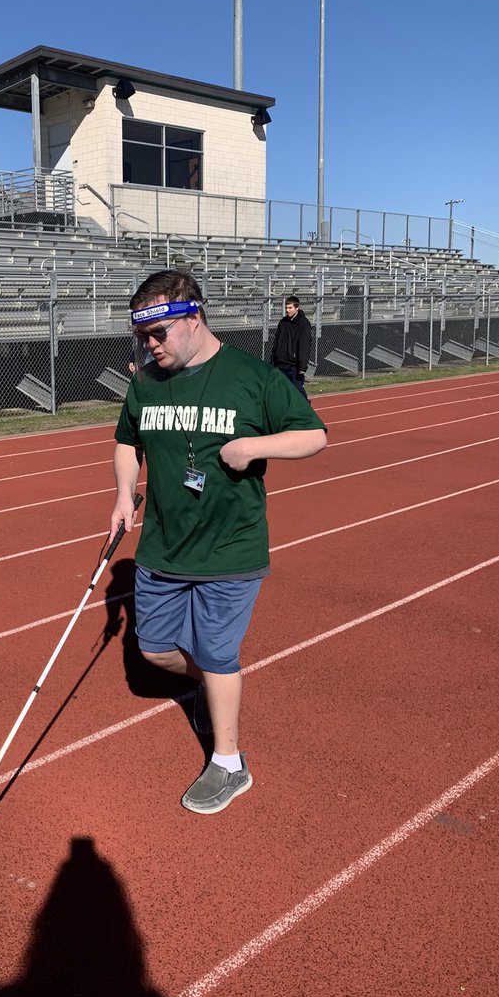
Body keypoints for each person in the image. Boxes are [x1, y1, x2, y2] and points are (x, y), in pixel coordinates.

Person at [110, 271, 327, 815]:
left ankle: (229, 763)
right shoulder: (146, 381)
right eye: (143, 337)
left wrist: (254, 446)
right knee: (153, 650)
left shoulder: (252, 377)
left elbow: (314, 435)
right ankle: (213, 685)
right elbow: (124, 441)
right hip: (162, 547)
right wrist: (123, 494)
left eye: (159, 333)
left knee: (216, 651)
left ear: (193, 317)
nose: (150, 346)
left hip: (231, 548)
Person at [270, 295, 312, 399]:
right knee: (282, 390)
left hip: (294, 365)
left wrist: (302, 366)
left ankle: (306, 409)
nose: (287, 310)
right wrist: (272, 362)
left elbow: (304, 345)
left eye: (290, 308)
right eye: (286, 307)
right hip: (281, 363)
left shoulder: (303, 324)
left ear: (297, 308)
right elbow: (277, 343)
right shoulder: (283, 322)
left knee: (297, 389)